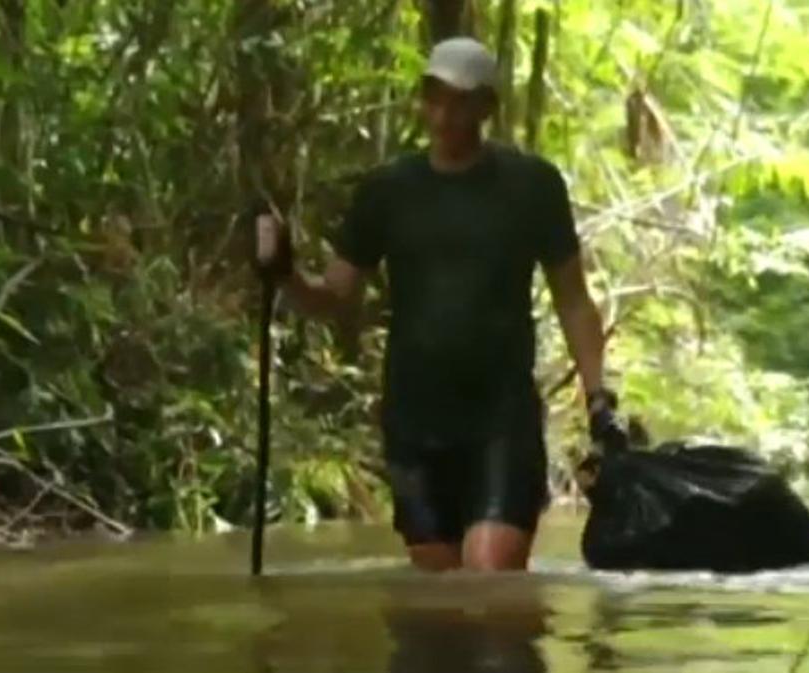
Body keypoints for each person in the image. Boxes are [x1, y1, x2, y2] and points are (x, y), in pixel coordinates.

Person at [254, 37, 627, 572]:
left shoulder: (532, 186)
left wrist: (598, 398)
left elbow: (573, 300)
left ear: (487, 108)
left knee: (488, 576)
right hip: (415, 418)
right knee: (438, 595)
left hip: (501, 415)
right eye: (434, 95)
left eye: (461, 98)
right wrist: (284, 274)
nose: (445, 111)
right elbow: (334, 299)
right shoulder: (387, 191)